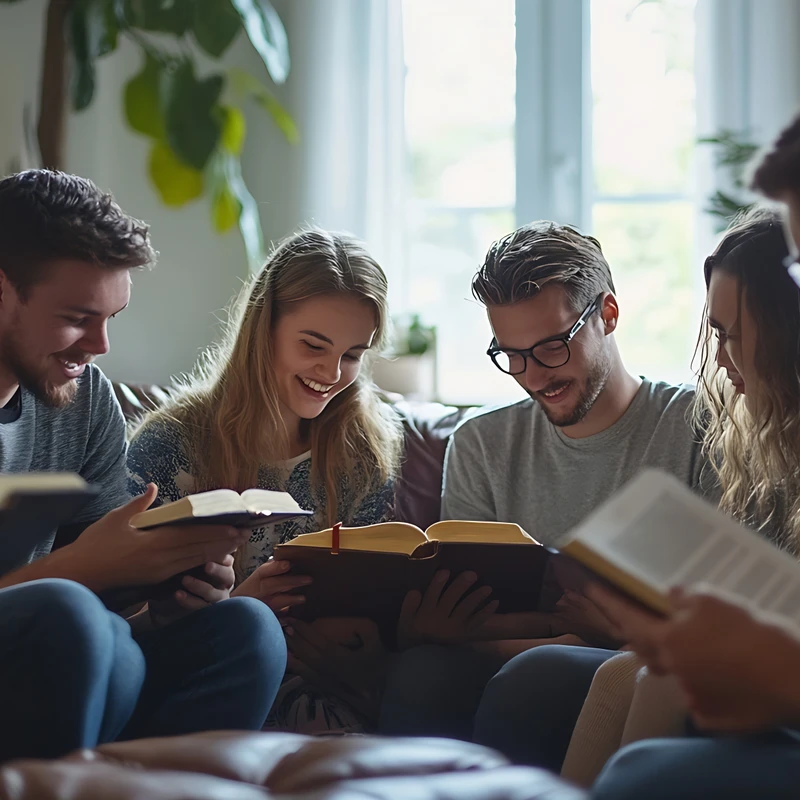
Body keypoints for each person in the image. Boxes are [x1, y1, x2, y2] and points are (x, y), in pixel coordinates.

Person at [379, 220, 715, 742]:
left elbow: (723, 613)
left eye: (553, 347)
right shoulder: (480, 444)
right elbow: (468, 617)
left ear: (608, 314)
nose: (534, 376)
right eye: (512, 355)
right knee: (423, 672)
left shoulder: (697, 426)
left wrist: (610, 634)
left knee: (536, 677)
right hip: (518, 662)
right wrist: (567, 632)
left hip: (642, 665)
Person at [0, 170, 286, 761]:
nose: (101, 345)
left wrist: (162, 592)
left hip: (67, 667)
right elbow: (74, 592)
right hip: (40, 644)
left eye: (113, 317)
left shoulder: (85, 400)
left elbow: (106, 602)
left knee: (246, 631)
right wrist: (80, 570)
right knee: (69, 611)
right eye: (78, 317)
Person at [581, 118, 800, 798]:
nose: (725, 361)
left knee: (647, 745)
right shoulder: (773, 445)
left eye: (739, 336)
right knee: (623, 674)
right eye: (717, 333)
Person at [127, 227, 404, 733]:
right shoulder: (172, 443)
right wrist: (240, 607)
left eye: (353, 355)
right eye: (314, 345)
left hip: (326, 689)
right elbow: (125, 618)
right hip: (201, 680)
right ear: (264, 328)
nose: (332, 371)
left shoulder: (363, 454)